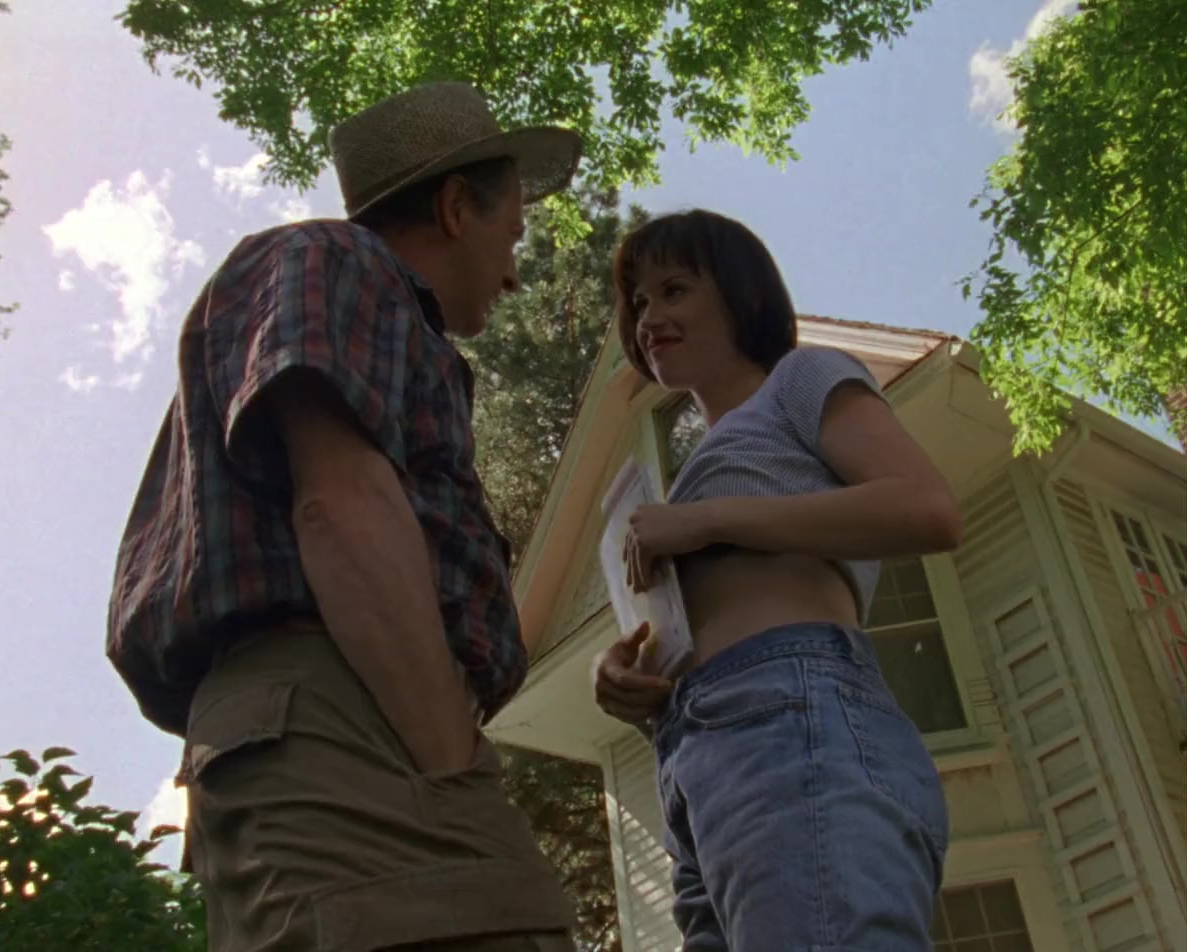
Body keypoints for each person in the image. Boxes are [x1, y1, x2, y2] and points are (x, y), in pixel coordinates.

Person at [107, 82, 584, 951]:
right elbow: (339, 503)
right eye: (513, 233)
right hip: (349, 716)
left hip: (316, 724)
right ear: (454, 207)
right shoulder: (341, 260)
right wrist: (449, 761)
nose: (516, 270)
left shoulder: (361, 299)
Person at [591, 210, 962, 951]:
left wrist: (708, 521)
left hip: (791, 716)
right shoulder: (691, 473)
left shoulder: (801, 378)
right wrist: (624, 672)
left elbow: (926, 510)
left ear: (742, 295)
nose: (649, 318)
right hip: (691, 760)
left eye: (674, 290)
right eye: (638, 302)